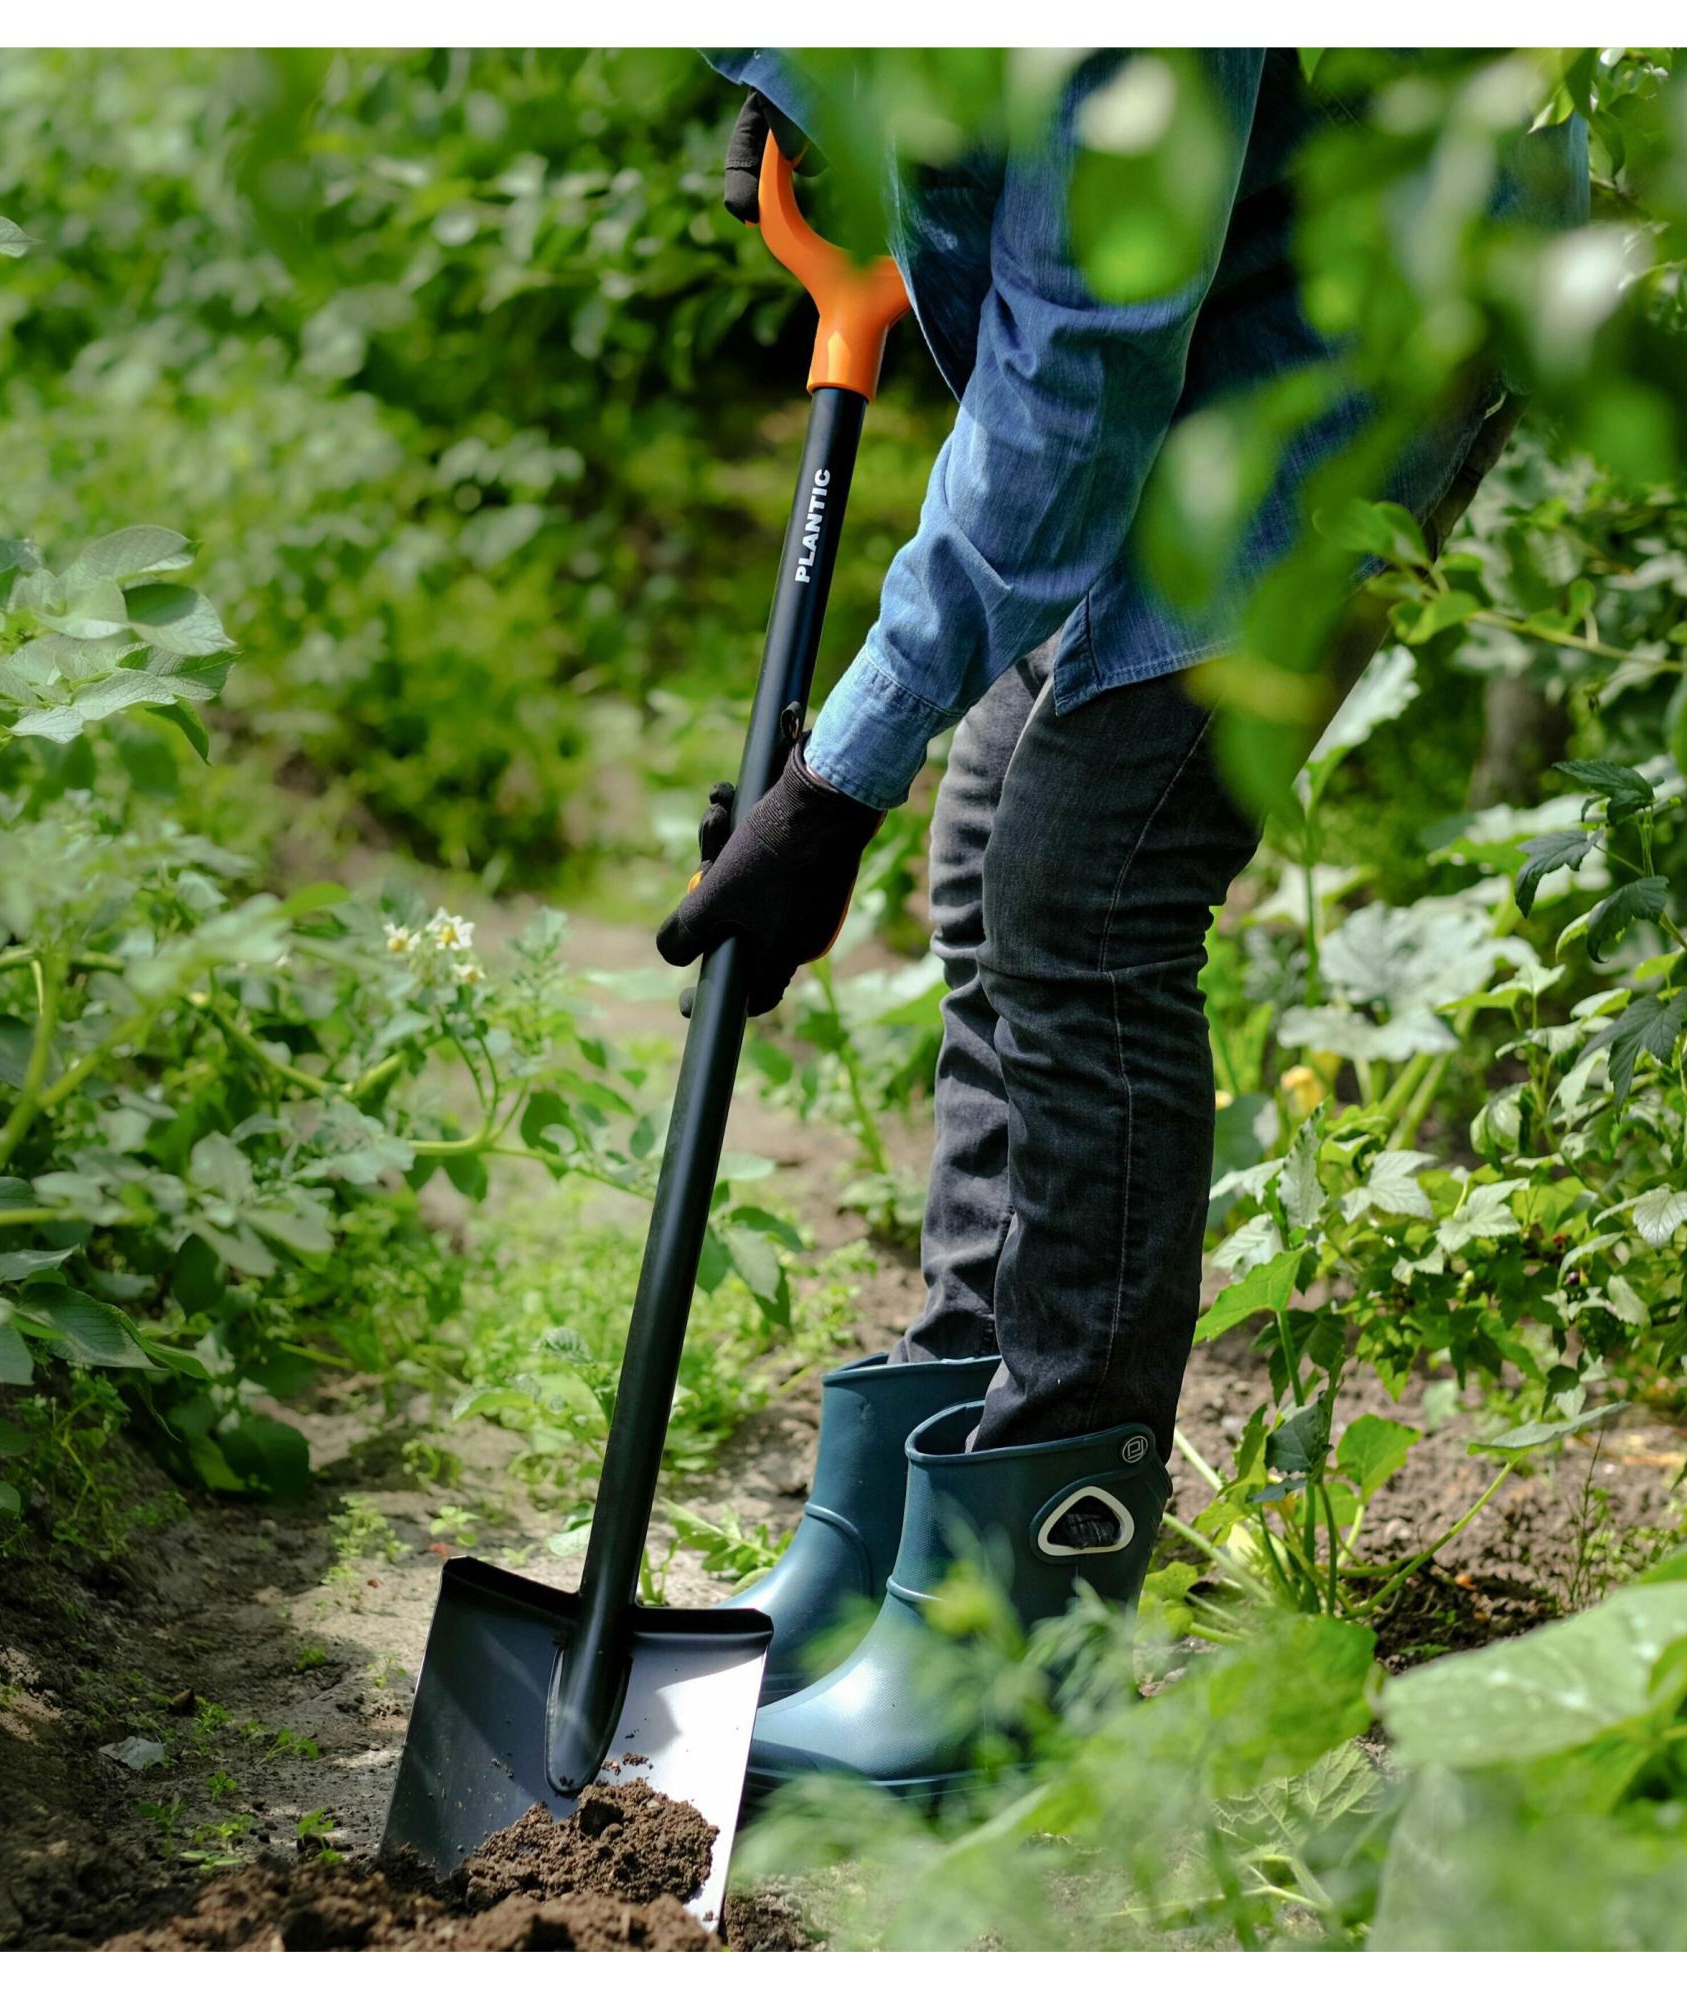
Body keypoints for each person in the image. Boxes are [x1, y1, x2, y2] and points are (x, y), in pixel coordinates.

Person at [659, 50, 1584, 1798]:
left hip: (1365, 306)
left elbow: (1079, 381)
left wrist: (835, 783)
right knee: (987, 842)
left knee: (1084, 889)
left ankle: (1029, 1631)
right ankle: (916, 1519)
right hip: (1233, 241)